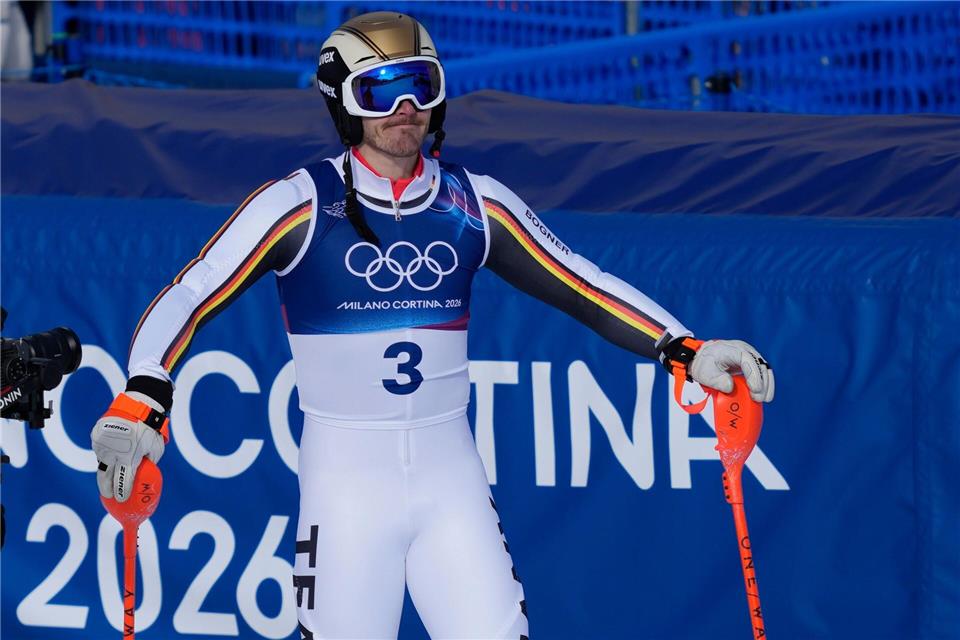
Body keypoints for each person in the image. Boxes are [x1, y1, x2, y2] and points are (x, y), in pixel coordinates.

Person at [91, 12, 774, 640]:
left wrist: (686, 348)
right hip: (346, 484)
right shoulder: (299, 202)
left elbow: (584, 285)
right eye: (379, 90)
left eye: (419, 86)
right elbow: (192, 291)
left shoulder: (473, 202)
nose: (404, 109)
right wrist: (144, 394)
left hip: (452, 481)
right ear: (342, 102)